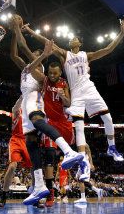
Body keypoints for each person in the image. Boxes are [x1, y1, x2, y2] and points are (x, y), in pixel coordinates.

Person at [22, 16, 124, 173]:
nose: (72, 39)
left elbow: (108, 49)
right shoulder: (65, 55)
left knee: (108, 118)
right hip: (76, 93)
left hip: (89, 88)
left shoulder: (86, 55)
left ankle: (112, 147)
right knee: (79, 128)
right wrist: (29, 31)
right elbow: (47, 41)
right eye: (71, 39)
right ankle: (83, 164)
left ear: (79, 44)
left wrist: (122, 32)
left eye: (75, 38)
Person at [10, 15, 84, 205]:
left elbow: (25, 48)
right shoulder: (26, 69)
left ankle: (68, 152)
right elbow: (15, 54)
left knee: (37, 123)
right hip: (26, 103)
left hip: (36, 101)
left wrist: (19, 29)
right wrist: (14, 31)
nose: (33, 55)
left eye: (37, 55)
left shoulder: (39, 74)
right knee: (31, 142)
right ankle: (40, 185)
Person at [38, 61, 75, 207]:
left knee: (73, 151)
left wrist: (63, 96)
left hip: (64, 123)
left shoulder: (64, 83)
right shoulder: (45, 79)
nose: (52, 75)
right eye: (50, 72)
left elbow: (68, 103)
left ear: (60, 73)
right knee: (49, 155)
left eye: (55, 73)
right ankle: (50, 191)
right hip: (50, 122)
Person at [0, 96, 32, 207]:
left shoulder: (31, 113)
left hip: (27, 141)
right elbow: (15, 107)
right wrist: (23, 96)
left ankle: (36, 195)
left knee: (34, 168)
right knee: (12, 166)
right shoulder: (17, 111)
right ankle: (3, 195)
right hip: (16, 140)